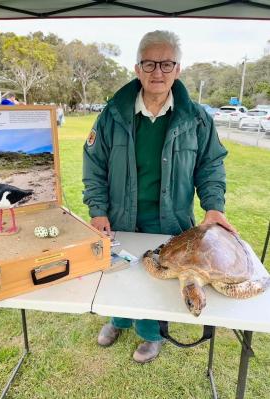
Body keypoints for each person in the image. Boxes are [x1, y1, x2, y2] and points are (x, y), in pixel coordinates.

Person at [83, 30, 236, 364]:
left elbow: (210, 167)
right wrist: (98, 210)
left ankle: (152, 334)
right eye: (149, 63)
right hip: (122, 217)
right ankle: (118, 319)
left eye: (166, 64)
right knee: (119, 273)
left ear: (178, 69)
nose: (157, 72)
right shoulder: (111, 116)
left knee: (161, 279)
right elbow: (93, 166)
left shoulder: (197, 119)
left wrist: (213, 207)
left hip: (173, 221)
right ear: (137, 68)